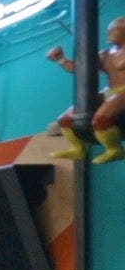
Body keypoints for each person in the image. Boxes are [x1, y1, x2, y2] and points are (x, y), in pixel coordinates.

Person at [45, 15, 125, 164]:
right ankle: (78, 148)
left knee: (100, 119)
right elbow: (80, 68)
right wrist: (60, 59)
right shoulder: (106, 54)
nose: (110, 33)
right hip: (110, 92)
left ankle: (114, 149)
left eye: (115, 29)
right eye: (110, 30)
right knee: (65, 119)